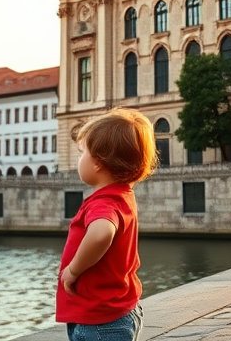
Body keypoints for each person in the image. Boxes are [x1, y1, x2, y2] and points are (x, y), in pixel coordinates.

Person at [56, 108, 158, 341]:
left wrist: (73, 270)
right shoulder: (122, 194)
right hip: (116, 312)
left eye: (82, 153)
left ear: (99, 163)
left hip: (100, 321)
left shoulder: (104, 202)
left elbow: (101, 233)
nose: (78, 159)